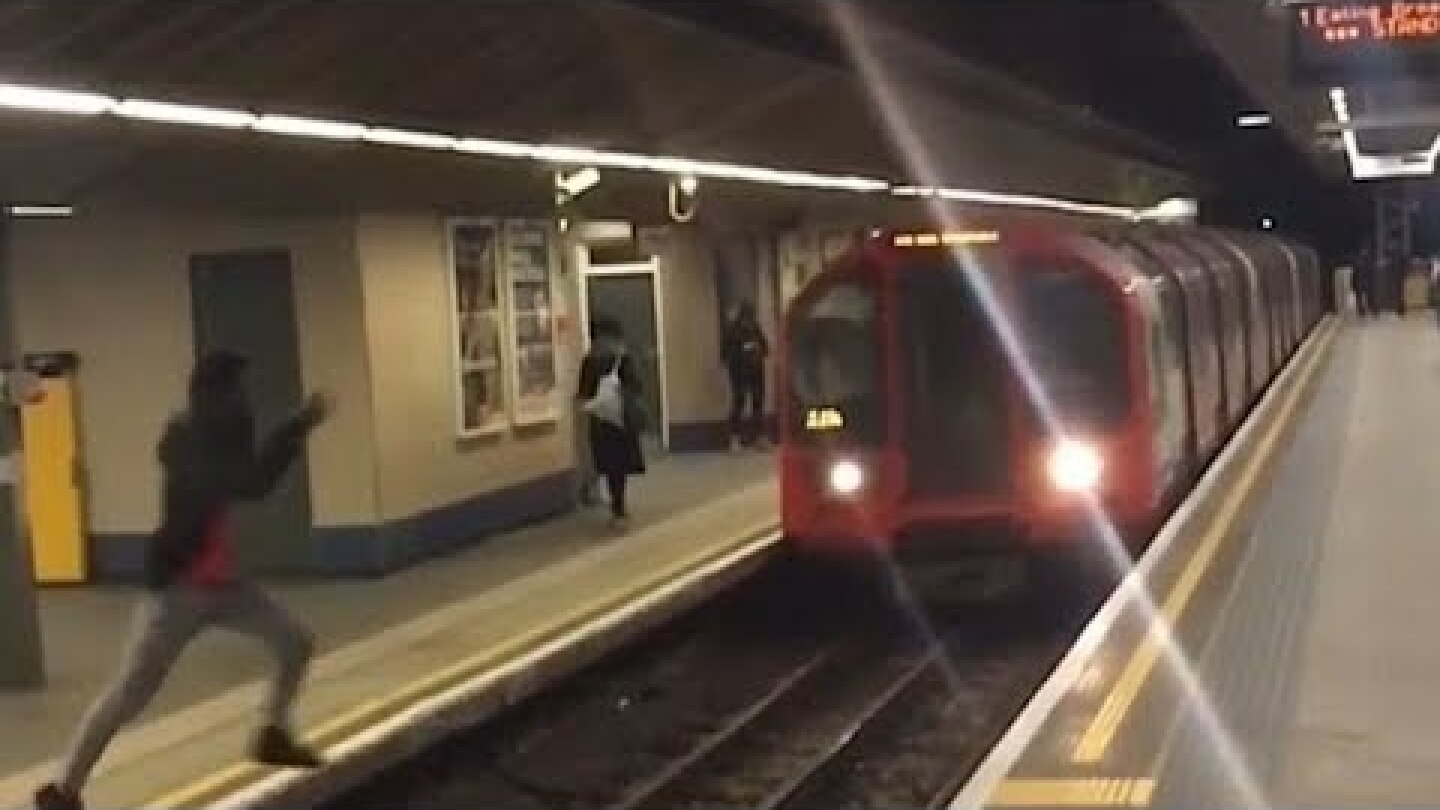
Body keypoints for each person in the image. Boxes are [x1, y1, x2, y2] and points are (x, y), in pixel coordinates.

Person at [36, 351, 331, 810]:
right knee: (132, 690)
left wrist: (293, 431)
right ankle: (63, 790)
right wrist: (291, 430)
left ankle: (272, 733)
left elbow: (253, 483)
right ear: (217, 392)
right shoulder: (187, 438)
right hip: (179, 590)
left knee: (297, 642)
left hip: (226, 585)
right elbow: (242, 481)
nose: (244, 397)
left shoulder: (223, 432)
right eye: (237, 388)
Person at [577, 317, 645, 527]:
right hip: (620, 418)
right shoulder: (623, 357)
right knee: (620, 466)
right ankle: (619, 508)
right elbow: (637, 385)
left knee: (606, 462)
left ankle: (602, 497)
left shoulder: (590, 360)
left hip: (599, 420)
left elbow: (583, 392)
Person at [721, 302, 770, 451]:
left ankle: (759, 438)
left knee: (758, 404)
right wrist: (743, 350)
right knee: (739, 402)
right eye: (747, 317)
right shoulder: (732, 330)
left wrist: (759, 349)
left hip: (756, 371)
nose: (749, 321)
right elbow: (726, 354)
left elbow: (766, 347)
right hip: (739, 372)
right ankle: (734, 438)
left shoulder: (755, 328)